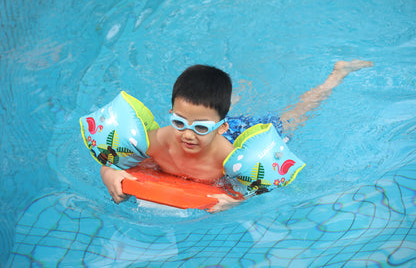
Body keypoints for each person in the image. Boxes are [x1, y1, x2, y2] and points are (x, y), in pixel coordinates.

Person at [101, 60, 373, 211]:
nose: (187, 134)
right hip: (220, 125)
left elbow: (253, 189)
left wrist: (233, 202)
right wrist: (110, 175)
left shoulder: (228, 158)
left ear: (221, 127)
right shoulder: (157, 141)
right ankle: (227, 100)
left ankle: (336, 76)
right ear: (171, 113)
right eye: (179, 122)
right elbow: (111, 159)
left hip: (241, 134)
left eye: (200, 128)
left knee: (293, 118)